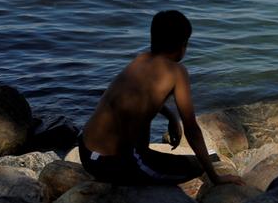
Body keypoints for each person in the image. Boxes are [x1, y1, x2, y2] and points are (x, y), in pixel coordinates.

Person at [79, 10, 243, 187]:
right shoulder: (177, 72)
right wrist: (216, 178)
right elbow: (192, 129)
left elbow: (134, 98)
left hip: (85, 150)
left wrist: (170, 116)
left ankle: (140, 155)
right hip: (112, 164)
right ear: (183, 45)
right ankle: (137, 164)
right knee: (196, 166)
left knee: (140, 127)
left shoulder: (141, 59)